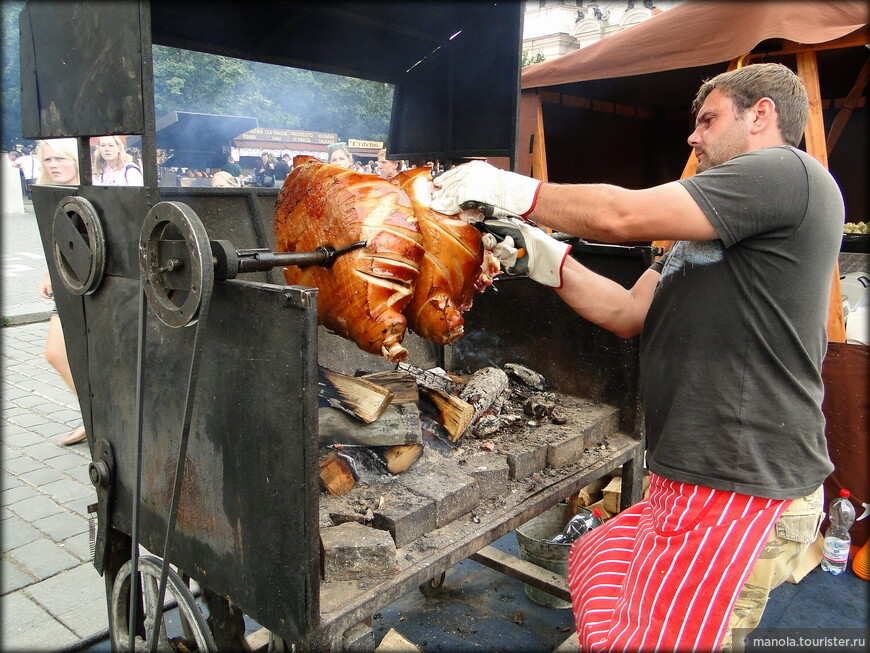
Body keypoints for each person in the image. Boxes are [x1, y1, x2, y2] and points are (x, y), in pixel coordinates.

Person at [431, 63, 842, 650]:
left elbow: (620, 215)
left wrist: (511, 189)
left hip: (749, 483)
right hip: (694, 478)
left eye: (708, 120)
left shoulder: (789, 173)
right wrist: (542, 258)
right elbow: (626, 312)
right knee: (606, 569)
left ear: (761, 115)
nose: (693, 137)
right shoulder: (699, 234)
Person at [33, 138, 87, 445]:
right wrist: (48, 273)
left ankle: (95, 417)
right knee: (55, 354)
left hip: (91, 285)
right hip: (67, 284)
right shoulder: (50, 194)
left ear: (75, 159)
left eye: (60, 159)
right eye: (48, 160)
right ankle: (91, 416)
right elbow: (55, 241)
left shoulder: (92, 192)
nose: (54, 165)